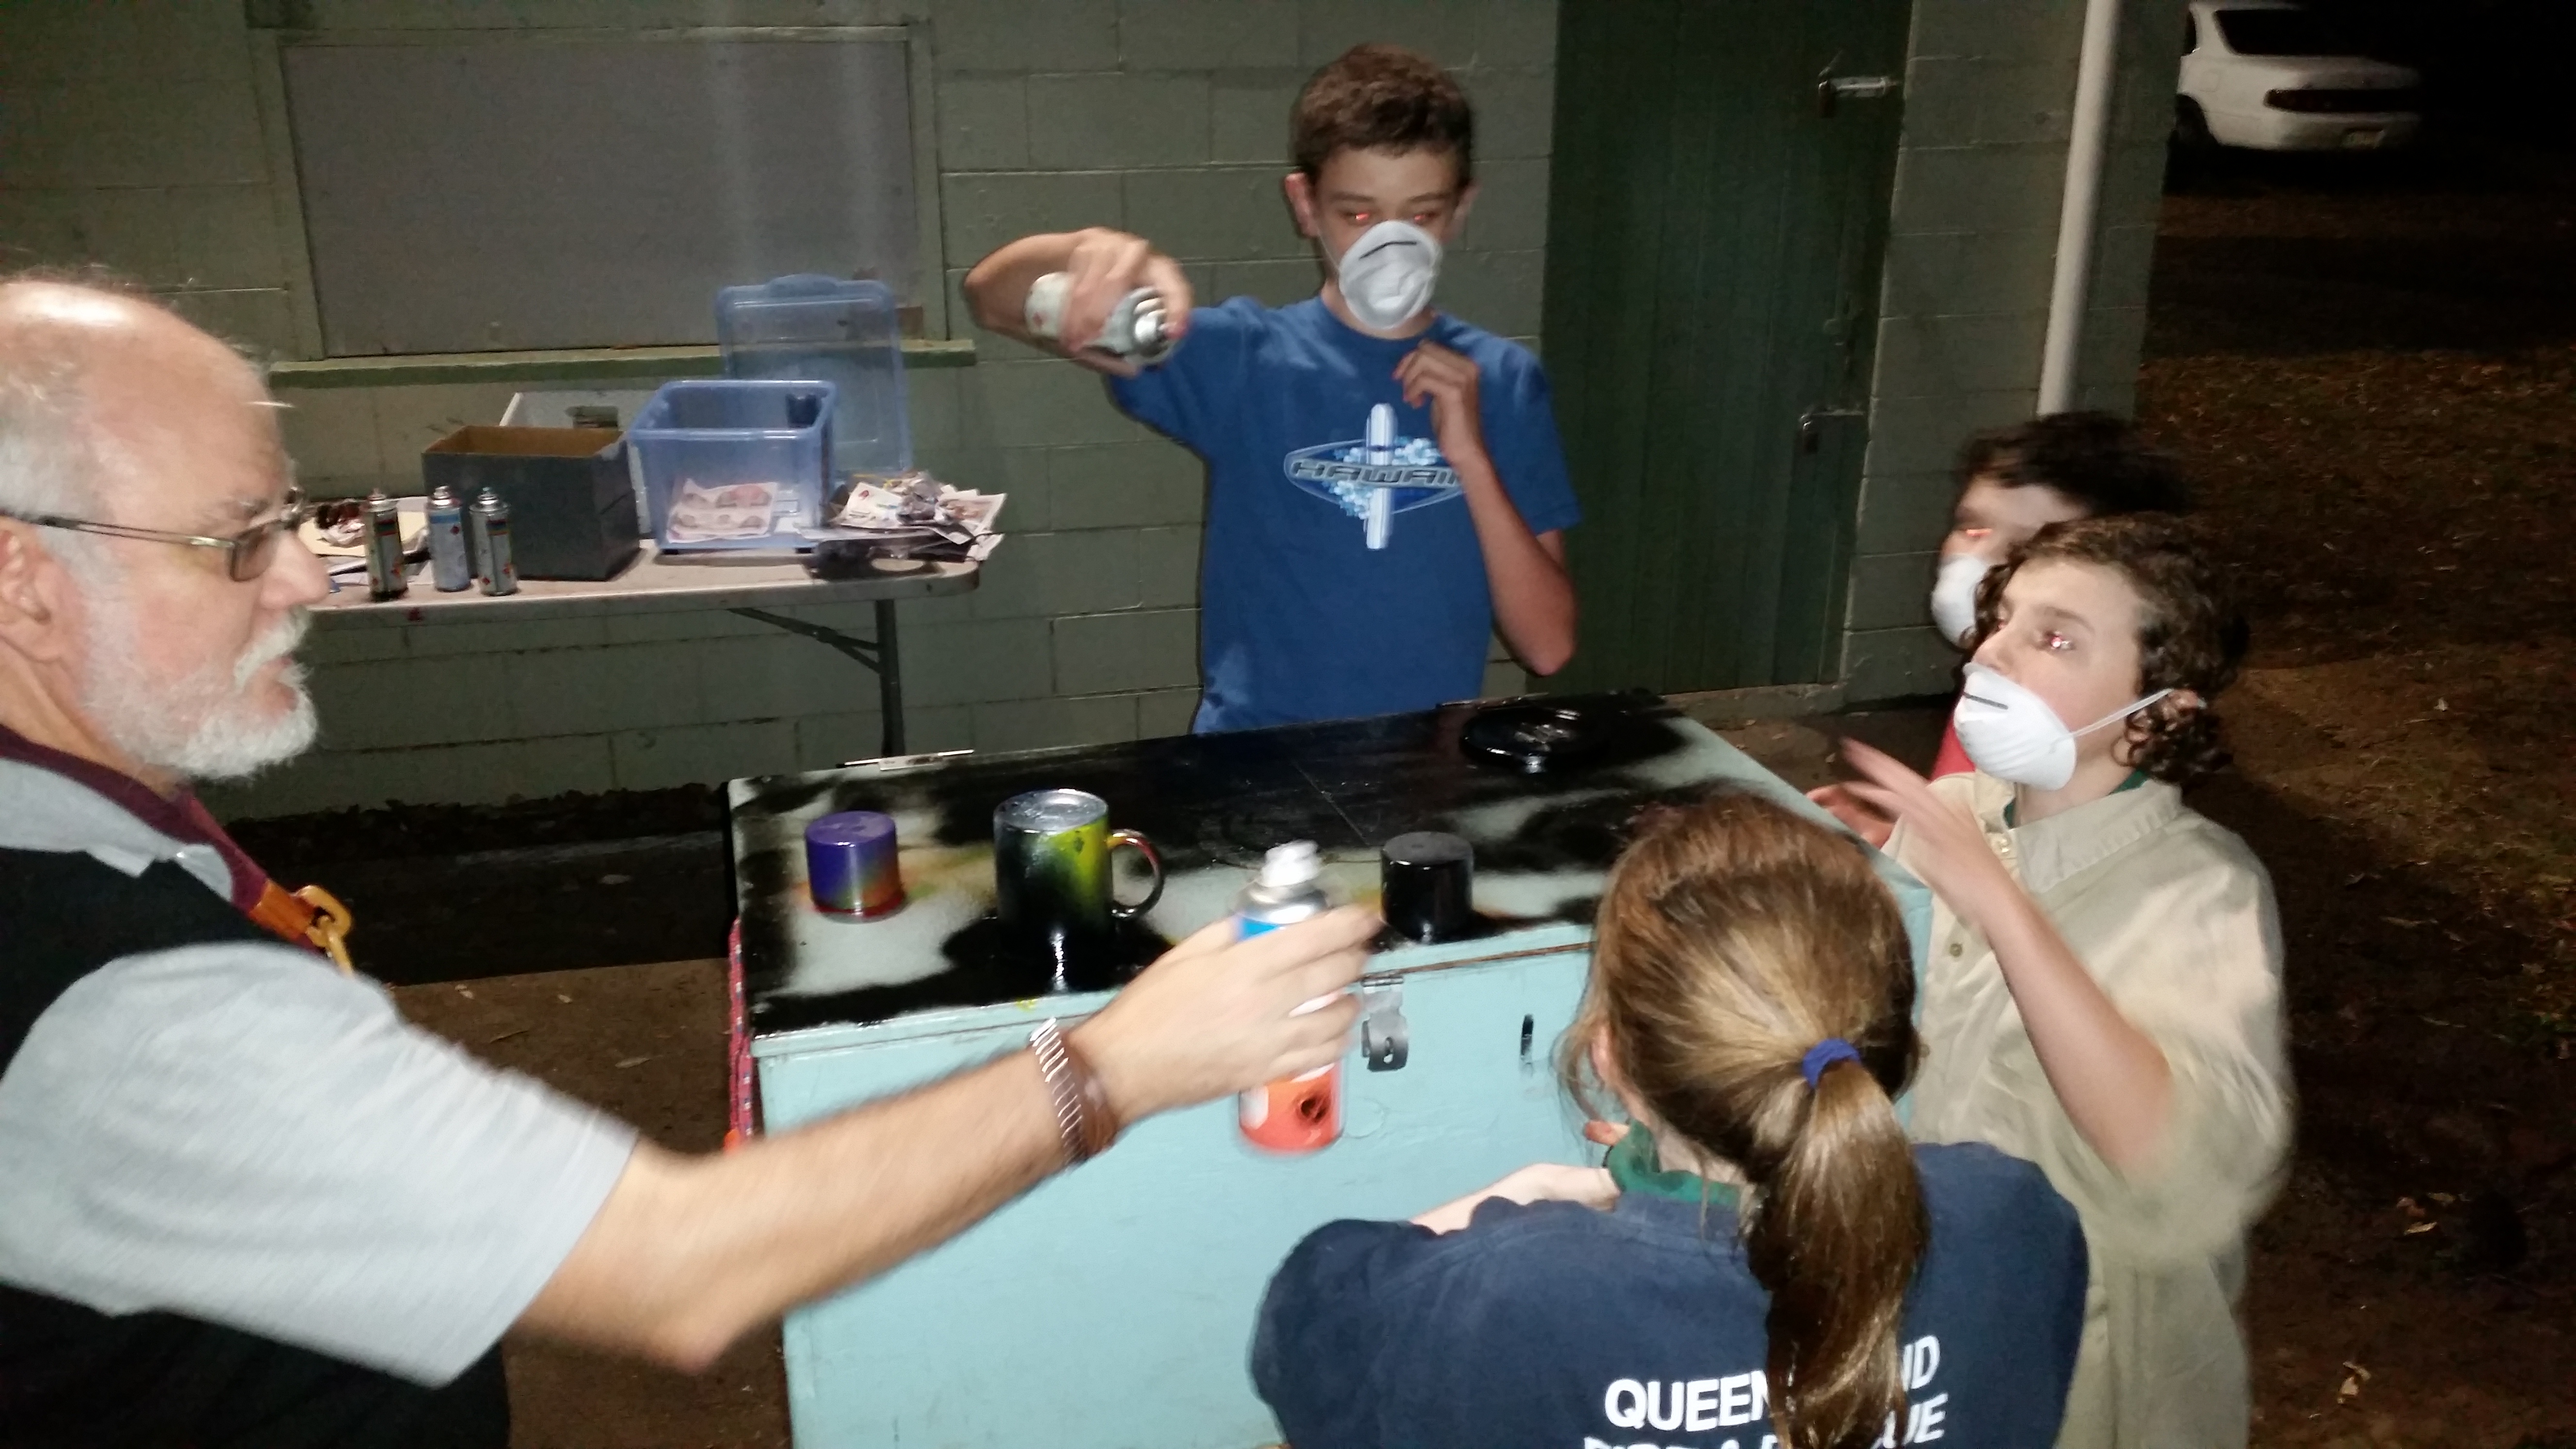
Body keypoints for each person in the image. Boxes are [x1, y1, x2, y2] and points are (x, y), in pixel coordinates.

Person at [0, 276, 1376, 1445]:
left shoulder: (79, 827)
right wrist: (1120, 1061)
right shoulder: (112, 1006)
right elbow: (680, 1266)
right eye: (237, 540)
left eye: (291, 518)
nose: (304, 576)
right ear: (24, 582)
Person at [1253, 793, 2090, 1449]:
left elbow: (1305, 1327)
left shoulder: (1515, 1295)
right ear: (1890, 1039)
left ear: (1609, 1057)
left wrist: (1523, 1196)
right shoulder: (2014, 1221)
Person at [961, 44, 1581, 732]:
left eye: (1422, 215)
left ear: (1460, 209)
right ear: (1305, 204)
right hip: (1257, 757)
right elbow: (991, 298)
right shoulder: (1245, 357)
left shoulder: (1501, 381)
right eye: (1358, 215)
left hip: (1422, 767)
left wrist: (1472, 460)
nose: (1390, 245)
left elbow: (1548, 646)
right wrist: (1089, 252)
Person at [1836, 515, 2290, 1449]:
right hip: (1927, 1328)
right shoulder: (1952, 813)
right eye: (2001, 619)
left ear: (2160, 712)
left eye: (2054, 639)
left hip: (2085, 1374)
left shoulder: (2202, 887)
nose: (1987, 654)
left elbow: (2185, 1169)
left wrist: (2000, 906)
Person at [1814, 413, 2189, 845]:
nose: (1978, 560)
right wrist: (1895, 839)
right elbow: (1987, 837)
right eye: (1972, 528)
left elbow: (2051, 869)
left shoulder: (2074, 732)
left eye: (2026, 547)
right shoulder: (1995, 679)